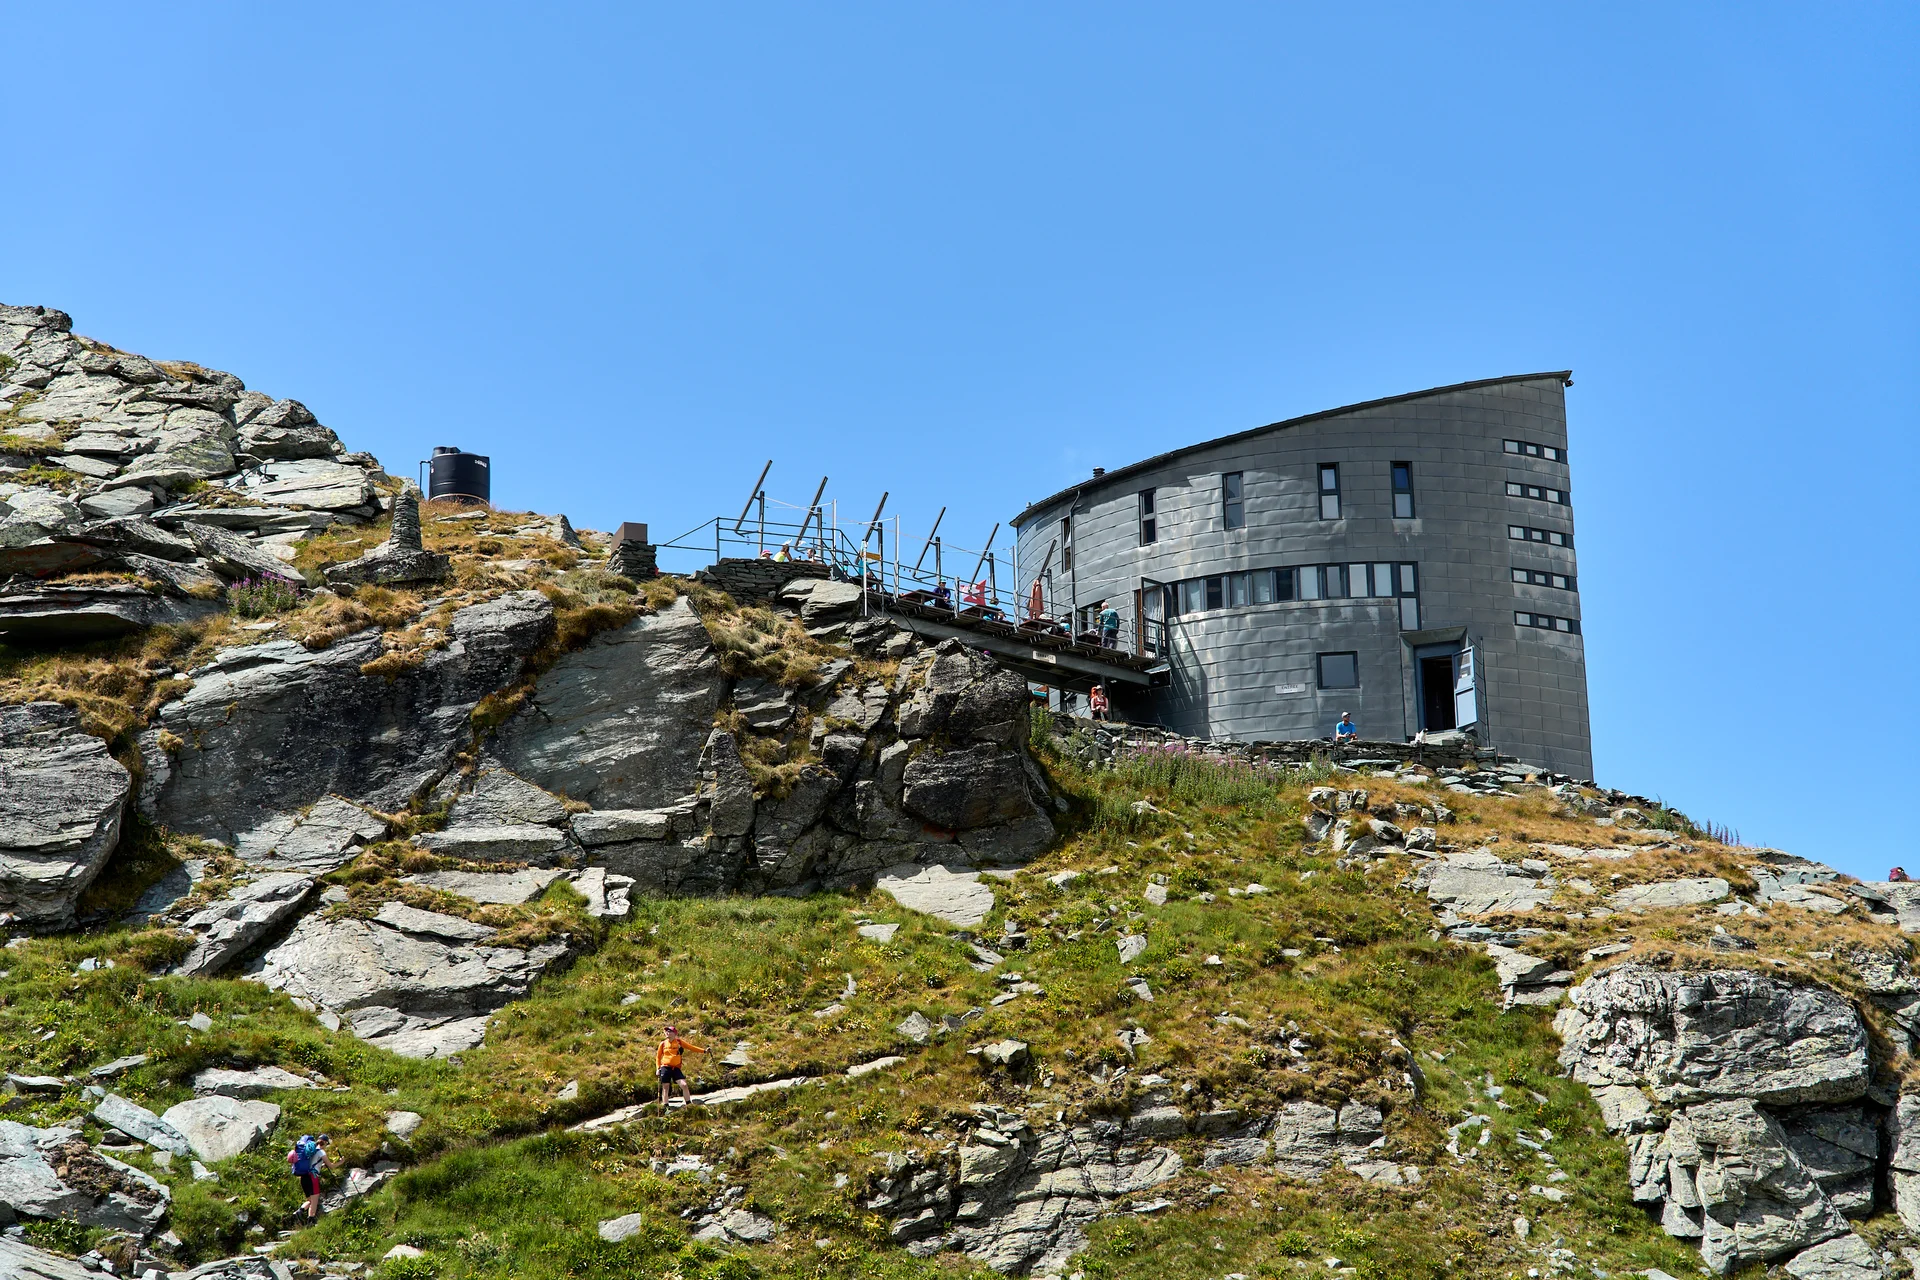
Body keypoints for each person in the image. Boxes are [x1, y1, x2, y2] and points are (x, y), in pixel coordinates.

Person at [656, 1024, 707, 1110]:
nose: (667, 1033)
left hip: (676, 1068)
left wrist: (704, 1051)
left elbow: (691, 1047)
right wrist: (658, 1068)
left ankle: (688, 1104)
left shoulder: (679, 1042)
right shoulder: (663, 1044)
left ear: (674, 1033)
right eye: (666, 1031)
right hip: (665, 1067)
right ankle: (666, 1106)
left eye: (670, 1031)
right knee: (665, 1086)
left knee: (684, 1085)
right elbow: (658, 1057)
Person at [287, 1132, 330, 1223]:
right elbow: (331, 1166)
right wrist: (341, 1162)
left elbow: (311, 1164)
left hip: (304, 1177)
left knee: (310, 1200)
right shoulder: (321, 1152)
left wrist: (321, 1166)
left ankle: (300, 1211)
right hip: (313, 1178)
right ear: (325, 1143)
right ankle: (311, 1222)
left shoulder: (310, 1151)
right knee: (314, 1202)